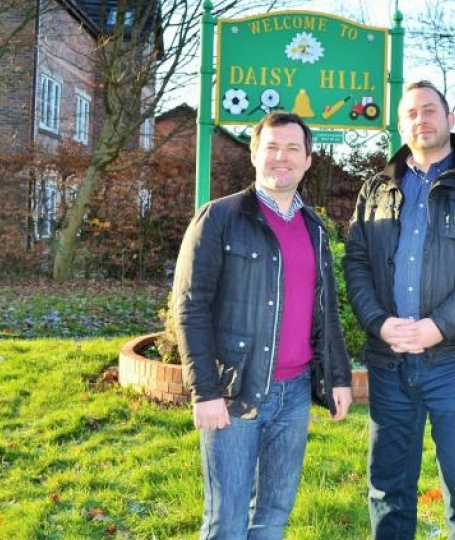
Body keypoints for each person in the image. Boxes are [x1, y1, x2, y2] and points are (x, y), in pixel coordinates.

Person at [343, 80, 455, 540]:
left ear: (450, 119)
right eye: (410, 114)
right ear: (400, 127)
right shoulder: (376, 188)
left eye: (429, 110)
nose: (421, 119)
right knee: (387, 491)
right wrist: (378, 324)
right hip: (389, 363)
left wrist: (438, 326)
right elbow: (356, 261)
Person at [171, 111, 353, 540]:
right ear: (254, 154)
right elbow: (190, 308)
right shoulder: (218, 218)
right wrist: (205, 391)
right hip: (235, 394)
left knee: (272, 517)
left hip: (294, 397)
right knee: (227, 523)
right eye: (271, 147)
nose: (281, 158)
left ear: (309, 159)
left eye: (293, 148)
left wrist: (338, 377)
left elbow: (325, 312)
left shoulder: (316, 229)